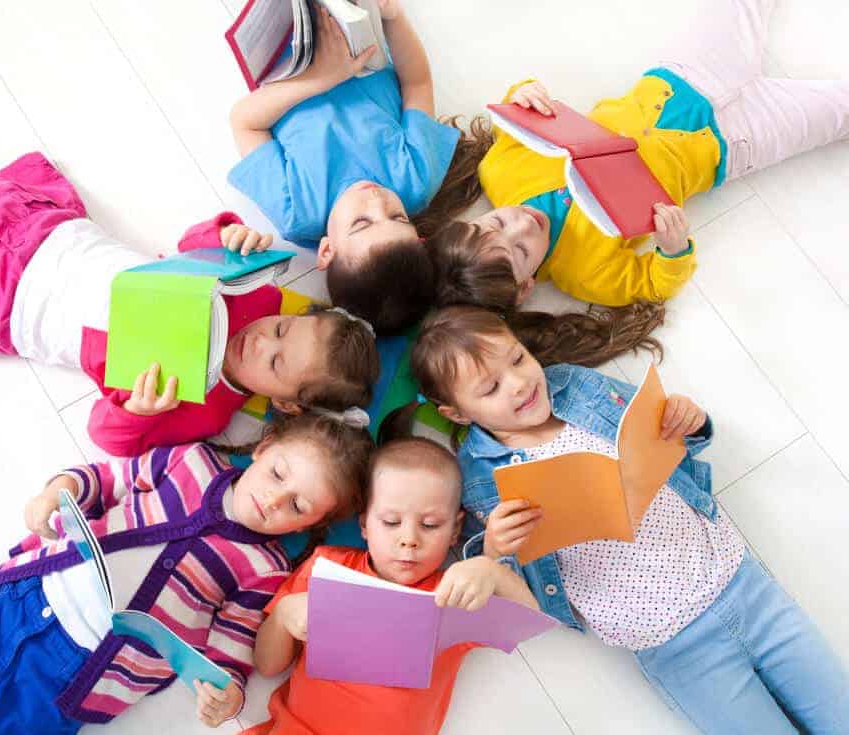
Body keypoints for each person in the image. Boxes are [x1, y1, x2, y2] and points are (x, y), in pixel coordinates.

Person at [403, 305, 848, 733]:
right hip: (675, 647)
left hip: (742, 585)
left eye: (518, 358)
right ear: (457, 413)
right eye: (490, 388)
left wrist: (688, 422)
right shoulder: (480, 475)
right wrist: (496, 549)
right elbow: (516, 591)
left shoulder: (573, 386)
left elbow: (668, 436)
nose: (519, 384)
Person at [0, 139, 379, 456]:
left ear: (284, 402)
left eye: (278, 362)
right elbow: (191, 248)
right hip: (40, 232)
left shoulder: (206, 411)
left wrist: (138, 408)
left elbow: (111, 439)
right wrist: (227, 236)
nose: (262, 342)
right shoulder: (257, 297)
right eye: (284, 330)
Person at [0, 412, 374, 734]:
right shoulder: (189, 462)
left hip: (78, 673)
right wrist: (55, 490)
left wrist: (227, 693)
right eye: (277, 474)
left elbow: (232, 645)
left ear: (314, 522)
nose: (273, 499)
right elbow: (106, 481)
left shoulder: (265, 568)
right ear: (262, 449)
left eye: (297, 505)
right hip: (15, 603)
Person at [426, 0, 849, 314]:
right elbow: (654, 284)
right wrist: (673, 248)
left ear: (474, 218)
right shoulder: (586, 274)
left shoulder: (499, 170)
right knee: (838, 111)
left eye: (498, 222)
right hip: (732, 144)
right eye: (521, 251)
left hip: (680, 79)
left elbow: (513, 117)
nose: (521, 224)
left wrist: (523, 95)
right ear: (525, 287)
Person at [243, 436, 539, 735]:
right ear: (364, 524)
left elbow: (528, 624)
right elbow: (267, 666)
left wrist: (492, 569)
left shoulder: (452, 594)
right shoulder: (326, 567)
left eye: (430, 525)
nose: (409, 539)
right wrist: (283, 614)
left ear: (455, 530)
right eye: (391, 521)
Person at [228, 0, 479, 333]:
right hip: (358, 27)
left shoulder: (296, 212)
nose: (377, 200)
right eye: (398, 217)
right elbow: (417, 83)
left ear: (327, 250)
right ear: (417, 236)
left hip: (289, 52)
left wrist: (322, 78)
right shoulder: (416, 179)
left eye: (361, 223)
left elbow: (244, 122)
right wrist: (394, 17)